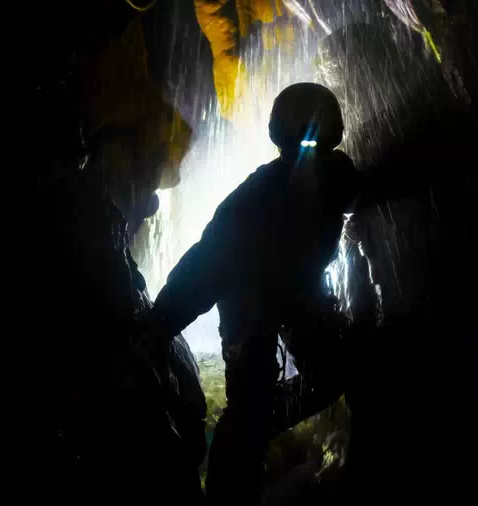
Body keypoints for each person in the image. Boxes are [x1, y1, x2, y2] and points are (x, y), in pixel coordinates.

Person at [141, 83, 358, 505]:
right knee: (249, 401)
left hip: (297, 293)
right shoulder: (252, 204)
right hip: (249, 301)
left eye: (320, 142)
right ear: (281, 141)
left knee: (330, 373)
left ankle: (257, 430)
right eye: (304, 142)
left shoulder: (336, 179)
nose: (309, 155)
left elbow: (354, 192)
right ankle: (229, 494)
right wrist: (160, 324)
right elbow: (205, 265)